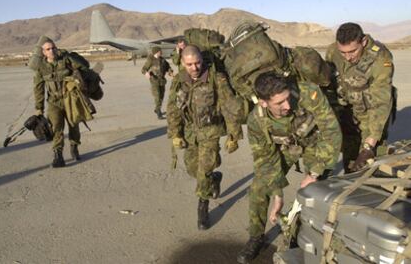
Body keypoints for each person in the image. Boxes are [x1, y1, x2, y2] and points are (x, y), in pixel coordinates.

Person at [237, 73, 341, 263]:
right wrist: (277, 192)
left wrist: (314, 172)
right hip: (287, 149)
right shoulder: (256, 121)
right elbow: (265, 158)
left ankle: (305, 237)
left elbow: (332, 132)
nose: (288, 105)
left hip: (315, 145)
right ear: (263, 102)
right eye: (280, 103)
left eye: (288, 98)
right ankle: (256, 236)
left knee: (314, 193)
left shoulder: (308, 94)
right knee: (259, 188)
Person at [167, 45, 243, 230]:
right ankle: (214, 178)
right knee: (193, 169)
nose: (195, 67)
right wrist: (175, 134)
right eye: (190, 64)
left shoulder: (216, 79)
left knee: (202, 172)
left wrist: (234, 135)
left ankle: (203, 208)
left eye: (198, 62)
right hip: (190, 133)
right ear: (183, 63)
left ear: (202, 60)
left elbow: (230, 107)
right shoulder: (179, 80)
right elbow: (173, 109)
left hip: (211, 132)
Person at [326, 22, 395, 173]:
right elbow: (329, 84)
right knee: (351, 164)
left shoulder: (380, 58)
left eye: (352, 51)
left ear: (363, 42)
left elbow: (382, 101)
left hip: (371, 116)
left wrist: (370, 143)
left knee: (370, 166)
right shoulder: (333, 51)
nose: (347, 57)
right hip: (348, 116)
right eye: (343, 52)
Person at [33, 37, 89, 168]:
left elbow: (84, 66)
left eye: (53, 48)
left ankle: (74, 147)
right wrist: (39, 108)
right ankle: (58, 155)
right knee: (56, 127)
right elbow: (38, 88)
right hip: (54, 102)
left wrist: (70, 57)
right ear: (43, 52)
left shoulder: (66, 60)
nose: (51, 51)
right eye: (48, 49)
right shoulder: (41, 68)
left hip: (70, 99)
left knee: (73, 124)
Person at [141, 46, 173, 119]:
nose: (161, 52)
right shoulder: (151, 60)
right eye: (159, 51)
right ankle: (159, 112)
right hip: (154, 80)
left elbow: (168, 67)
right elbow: (143, 69)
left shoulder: (162, 60)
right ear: (156, 52)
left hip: (162, 80)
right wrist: (146, 73)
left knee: (161, 96)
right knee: (157, 96)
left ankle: (157, 108)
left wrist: (170, 72)